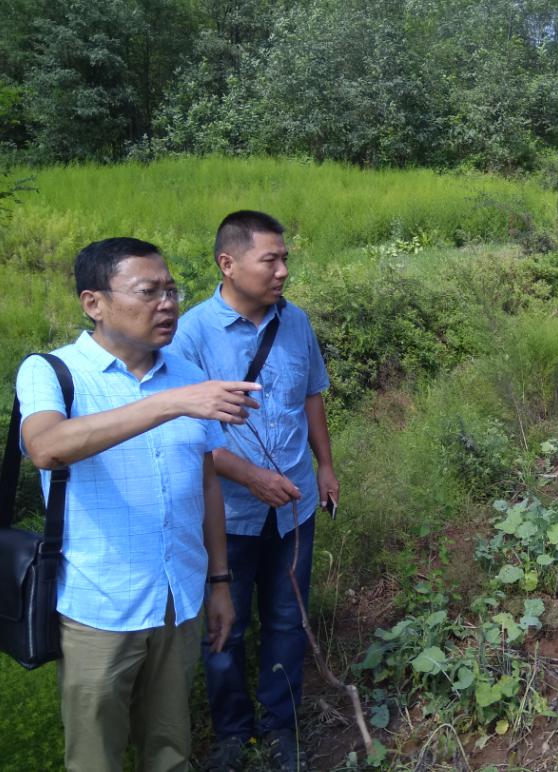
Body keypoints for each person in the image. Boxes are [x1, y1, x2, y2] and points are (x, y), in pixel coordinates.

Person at [16, 237, 260, 772]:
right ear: (94, 303)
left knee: (170, 748)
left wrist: (220, 582)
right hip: (99, 605)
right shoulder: (52, 372)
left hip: (179, 595)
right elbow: (46, 447)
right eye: (148, 292)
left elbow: (206, 484)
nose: (167, 304)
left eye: (171, 291)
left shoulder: (188, 377)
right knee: (95, 756)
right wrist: (168, 403)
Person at [169, 211, 338, 771]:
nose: (283, 271)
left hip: (294, 506)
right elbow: (185, 435)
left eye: (285, 258)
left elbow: (311, 395)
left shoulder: (296, 321)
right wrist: (250, 476)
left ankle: (280, 725)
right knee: (226, 625)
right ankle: (231, 733)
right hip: (228, 516)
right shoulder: (190, 335)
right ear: (229, 263)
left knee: (288, 619)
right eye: (271, 260)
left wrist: (325, 466)